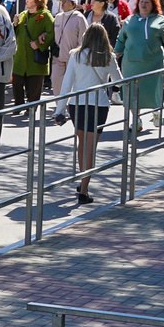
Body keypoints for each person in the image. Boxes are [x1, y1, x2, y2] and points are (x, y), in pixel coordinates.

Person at [58, 22, 121, 206]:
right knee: (91, 147)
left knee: (82, 143)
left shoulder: (75, 55)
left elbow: (66, 84)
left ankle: (82, 180)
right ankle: (84, 188)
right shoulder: (107, 57)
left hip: (77, 104)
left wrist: (59, 110)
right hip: (98, 105)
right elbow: (119, 81)